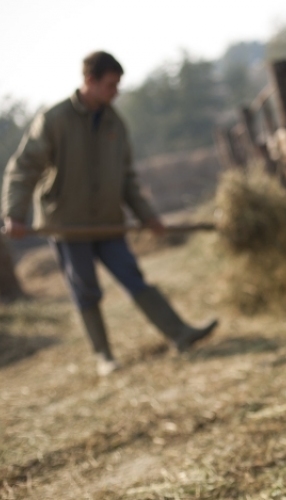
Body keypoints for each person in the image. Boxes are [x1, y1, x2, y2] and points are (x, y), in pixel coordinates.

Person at [2, 51, 218, 376]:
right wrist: (14, 214)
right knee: (85, 288)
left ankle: (180, 334)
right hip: (67, 224)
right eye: (110, 84)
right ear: (89, 80)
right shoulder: (55, 119)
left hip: (107, 221)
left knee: (133, 277)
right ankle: (104, 356)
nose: (115, 91)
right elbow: (23, 169)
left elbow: (126, 178)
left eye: (117, 85)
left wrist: (148, 217)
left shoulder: (115, 122)